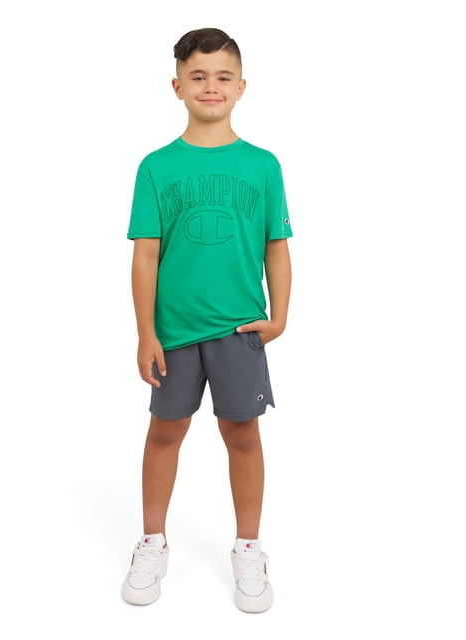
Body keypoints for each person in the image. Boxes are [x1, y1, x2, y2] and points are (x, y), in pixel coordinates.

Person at [121, 27, 292, 613]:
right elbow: (145, 255)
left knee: (242, 434)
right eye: (198, 76)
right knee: (164, 432)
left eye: (223, 76)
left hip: (239, 331)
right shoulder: (156, 167)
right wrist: (146, 333)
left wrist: (279, 316)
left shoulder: (263, 166)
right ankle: (152, 541)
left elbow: (276, 247)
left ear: (241, 87)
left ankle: (248, 547)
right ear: (177, 86)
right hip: (173, 334)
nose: (210, 86)